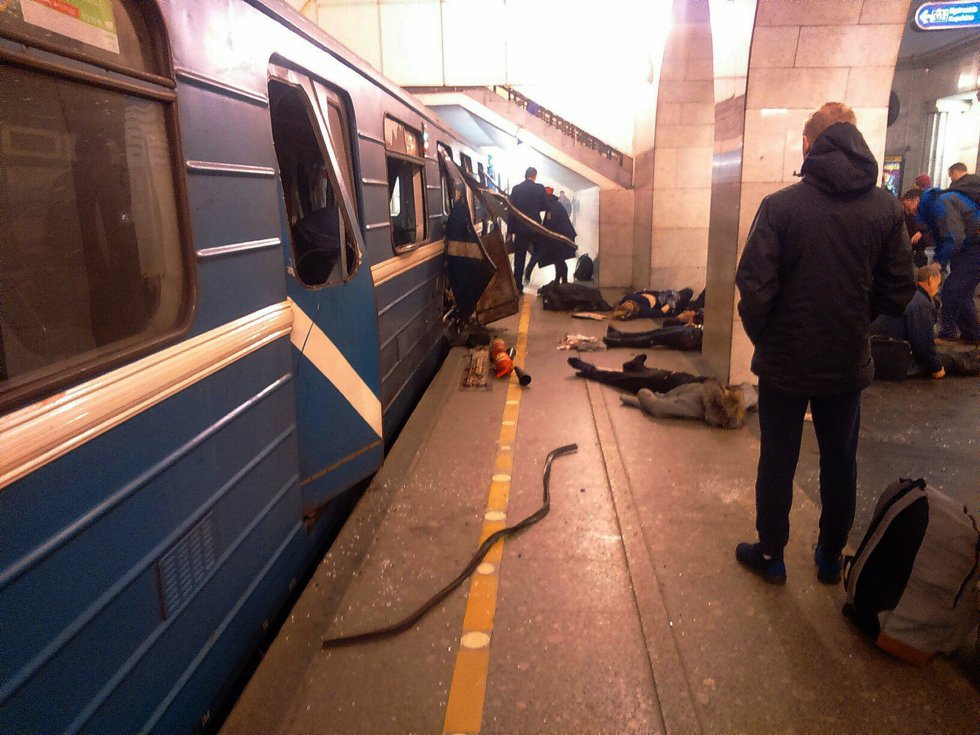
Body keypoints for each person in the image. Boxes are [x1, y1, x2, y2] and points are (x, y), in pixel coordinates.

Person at [734, 102, 915, 586]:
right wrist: (856, 315)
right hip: (845, 361)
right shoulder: (885, 207)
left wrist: (767, 337)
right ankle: (831, 557)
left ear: (808, 145)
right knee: (840, 459)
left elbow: (754, 288)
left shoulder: (780, 207)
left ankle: (771, 554)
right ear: (856, 140)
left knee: (777, 458)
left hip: (784, 363)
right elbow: (900, 290)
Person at [871, 263, 980, 378]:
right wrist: (936, 368)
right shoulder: (920, 303)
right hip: (893, 358)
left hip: (880, 351)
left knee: (947, 356)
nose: (937, 290)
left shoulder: (910, 294)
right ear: (931, 280)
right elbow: (923, 342)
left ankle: (972, 356)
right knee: (951, 361)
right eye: (938, 285)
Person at [916, 185, 980, 343]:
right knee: (963, 293)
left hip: (973, 248)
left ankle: (949, 332)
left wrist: (939, 262)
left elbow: (955, 237)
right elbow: (944, 238)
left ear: (916, 201)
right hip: (969, 247)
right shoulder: (939, 202)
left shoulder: (941, 203)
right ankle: (973, 334)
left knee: (952, 290)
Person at [507, 167, 547, 293]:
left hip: (520, 229)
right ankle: (529, 269)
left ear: (525, 175)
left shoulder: (516, 189)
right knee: (541, 249)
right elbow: (545, 206)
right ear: (534, 176)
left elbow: (511, 211)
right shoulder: (540, 188)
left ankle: (518, 286)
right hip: (535, 228)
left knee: (519, 257)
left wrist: (510, 231)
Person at [525, 187, 577, 284]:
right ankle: (559, 280)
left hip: (564, 238)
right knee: (558, 259)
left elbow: (550, 225)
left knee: (559, 259)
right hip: (560, 237)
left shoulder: (553, 208)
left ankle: (563, 282)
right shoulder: (553, 205)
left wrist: (539, 234)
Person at [900, 189, 932, 267]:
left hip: (915, 253)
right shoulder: (897, 211)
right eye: (917, 202)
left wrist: (921, 232)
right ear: (908, 200)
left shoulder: (917, 214)